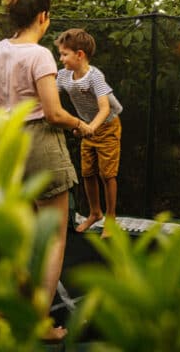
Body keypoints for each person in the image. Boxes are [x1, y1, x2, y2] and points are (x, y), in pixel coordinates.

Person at [0, 0, 91, 342]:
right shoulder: (39, 55)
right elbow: (53, 113)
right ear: (42, 16)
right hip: (41, 144)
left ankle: (7, 307)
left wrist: (8, 116)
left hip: (9, 148)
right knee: (53, 239)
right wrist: (79, 125)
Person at [55, 28, 123, 239]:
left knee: (107, 174)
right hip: (86, 126)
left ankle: (110, 219)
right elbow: (51, 100)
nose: (61, 58)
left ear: (80, 54)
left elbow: (104, 108)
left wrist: (91, 127)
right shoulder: (63, 76)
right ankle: (95, 212)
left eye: (64, 54)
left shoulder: (95, 77)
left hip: (107, 125)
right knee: (87, 172)